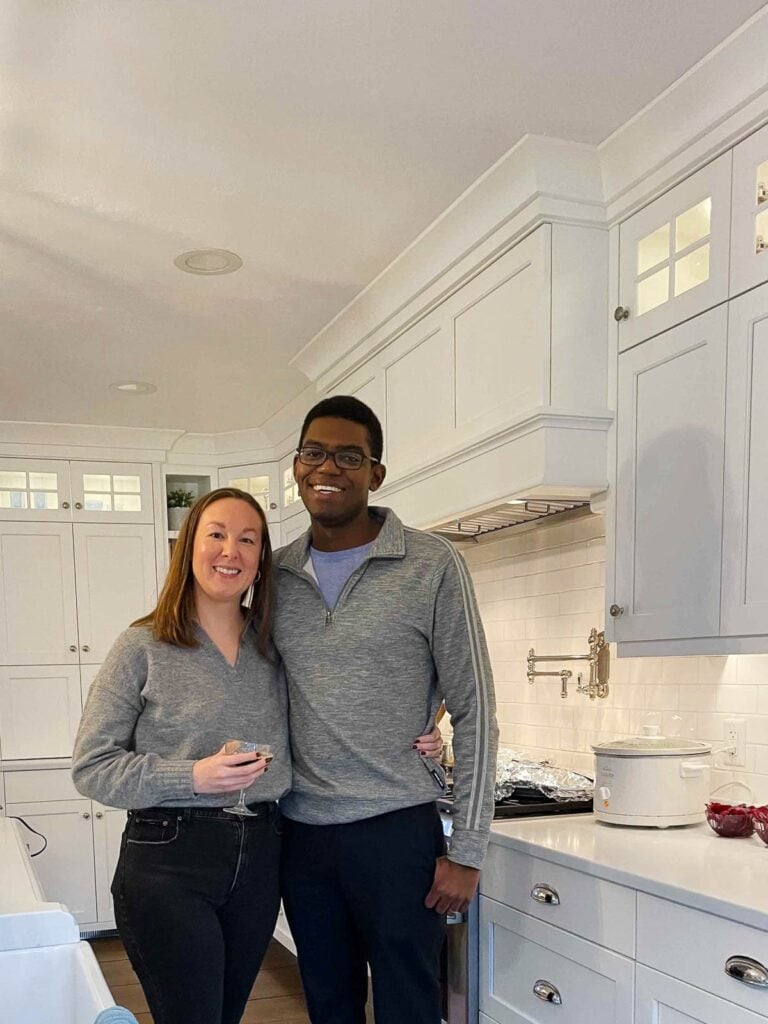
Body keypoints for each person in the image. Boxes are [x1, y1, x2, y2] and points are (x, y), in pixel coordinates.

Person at [71, 486, 441, 1024]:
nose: (231, 551)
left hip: (263, 859)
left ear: (261, 559)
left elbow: (334, 713)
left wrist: (425, 730)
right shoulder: (143, 645)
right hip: (171, 859)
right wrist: (193, 775)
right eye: (216, 535)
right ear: (188, 547)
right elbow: (92, 766)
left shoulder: (273, 646)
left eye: (248, 540)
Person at [273, 395, 499, 1024]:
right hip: (303, 838)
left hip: (396, 833)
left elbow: (475, 708)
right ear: (296, 465)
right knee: (328, 1004)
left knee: (409, 1007)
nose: (329, 467)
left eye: (350, 456)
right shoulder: (275, 576)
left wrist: (469, 850)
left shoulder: (432, 564)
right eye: (315, 452)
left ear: (375, 473)